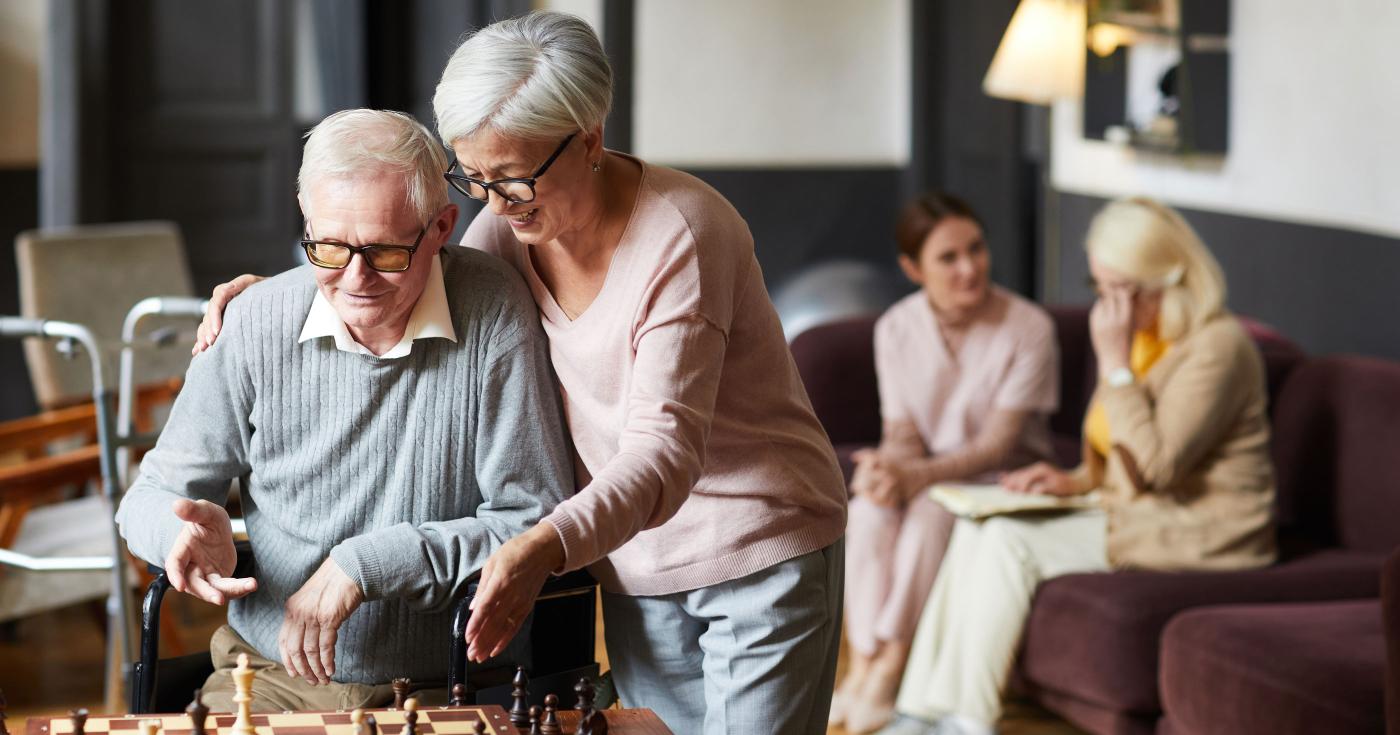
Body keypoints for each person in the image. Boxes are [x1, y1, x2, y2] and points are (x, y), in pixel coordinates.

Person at [191, 12, 847, 734]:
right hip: (631, 558)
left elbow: (663, 454)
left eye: (514, 178)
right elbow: (409, 271)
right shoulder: (508, 228)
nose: (494, 203)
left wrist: (540, 544)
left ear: (590, 139)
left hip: (756, 547)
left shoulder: (682, 235)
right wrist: (275, 295)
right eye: (472, 177)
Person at [118, 109, 573, 713]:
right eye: (328, 247)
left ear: (440, 228)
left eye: (385, 252)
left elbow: (533, 520)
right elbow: (145, 497)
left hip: (449, 683)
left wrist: (366, 564)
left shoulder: (494, 313)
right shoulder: (253, 322)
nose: (355, 278)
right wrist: (181, 537)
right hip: (268, 677)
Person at [879, 197, 1277, 735]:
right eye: (1101, 289)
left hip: (1202, 530)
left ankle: (965, 722)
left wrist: (1113, 366)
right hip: (1136, 512)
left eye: (1116, 289)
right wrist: (1074, 481)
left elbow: (1156, 467)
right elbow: (1118, 456)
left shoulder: (1218, 348)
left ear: (1159, 281)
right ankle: (921, 713)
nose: (1107, 307)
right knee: (978, 528)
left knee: (1007, 541)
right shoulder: (1145, 337)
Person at [835, 193, 1058, 733]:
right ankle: (860, 666)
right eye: (948, 258)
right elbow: (903, 434)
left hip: (1003, 480)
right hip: (931, 475)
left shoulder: (1028, 327)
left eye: (976, 250)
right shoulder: (896, 328)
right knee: (865, 511)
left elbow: (998, 446)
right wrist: (886, 471)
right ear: (913, 269)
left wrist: (911, 476)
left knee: (931, 514)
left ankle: (889, 668)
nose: (970, 268)